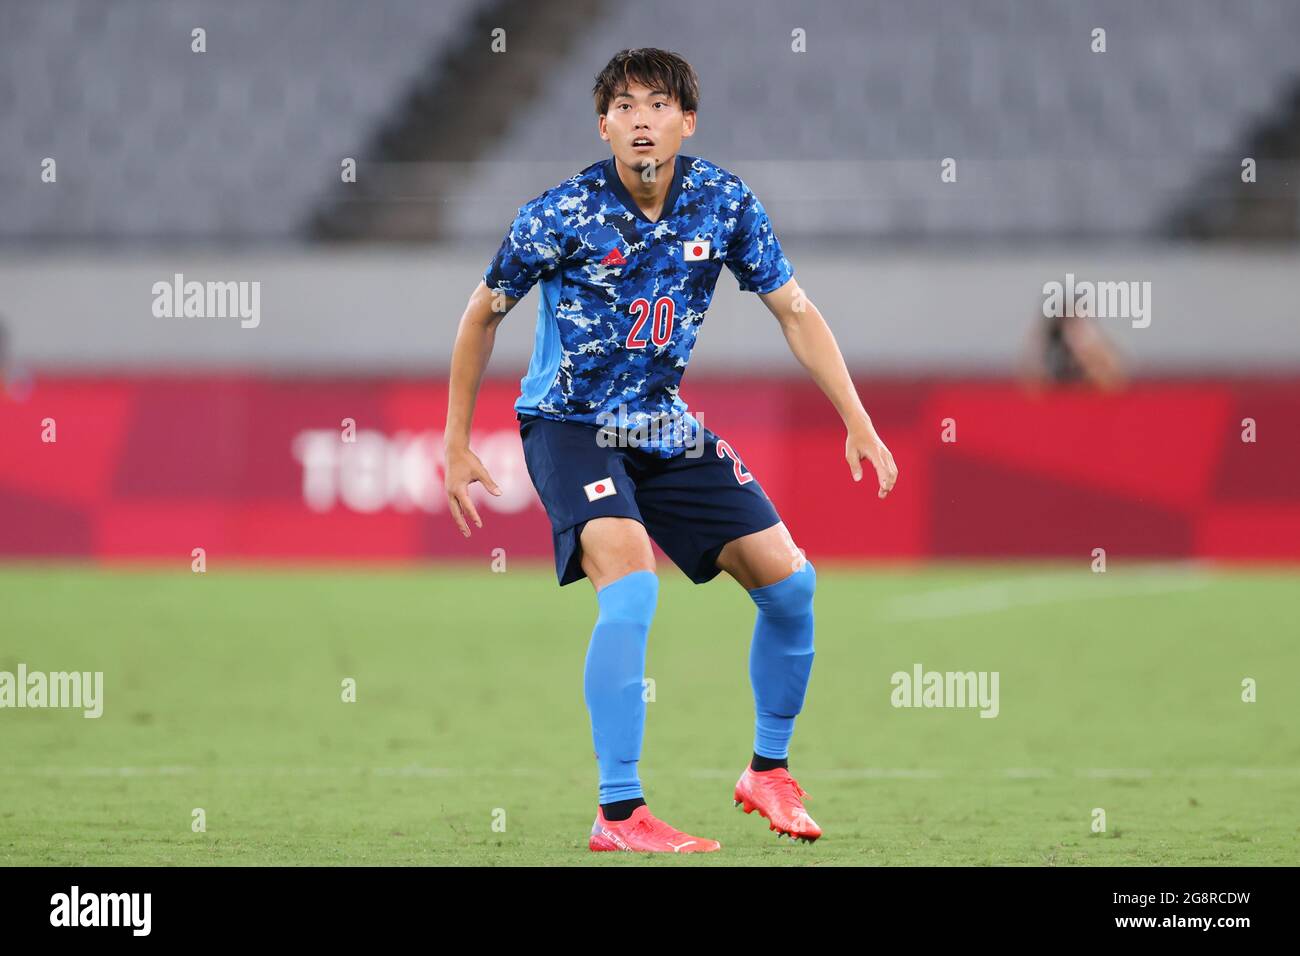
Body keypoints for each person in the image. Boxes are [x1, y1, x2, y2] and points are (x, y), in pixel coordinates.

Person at [443, 48, 897, 853]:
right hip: (571, 422)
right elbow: (483, 313)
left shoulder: (723, 203)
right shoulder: (559, 213)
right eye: (624, 106)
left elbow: (794, 310)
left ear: (687, 121)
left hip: (658, 422)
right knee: (632, 585)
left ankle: (768, 770)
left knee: (792, 586)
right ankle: (619, 813)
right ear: (603, 125)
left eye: (658, 105)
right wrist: (455, 440)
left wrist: (856, 417)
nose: (641, 119)